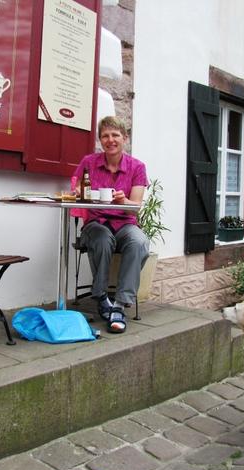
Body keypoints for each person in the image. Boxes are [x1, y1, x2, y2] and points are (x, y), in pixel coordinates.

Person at [74, 116, 149, 334]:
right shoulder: (89, 163)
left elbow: (135, 206)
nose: (110, 140)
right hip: (96, 222)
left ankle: (119, 304)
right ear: (100, 140)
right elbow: (77, 190)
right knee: (102, 237)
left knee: (139, 241)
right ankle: (102, 296)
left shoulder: (137, 167)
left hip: (125, 222)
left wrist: (123, 201)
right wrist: (79, 193)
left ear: (124, 138)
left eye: (115, 135)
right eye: (105, 136)